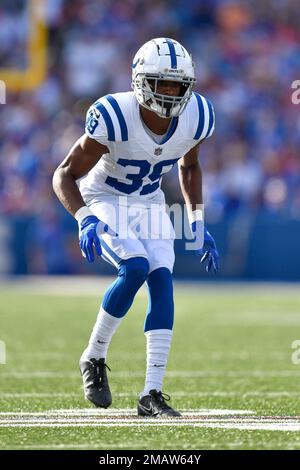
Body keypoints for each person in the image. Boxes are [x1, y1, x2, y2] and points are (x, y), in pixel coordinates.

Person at [52, 38, 219, 418]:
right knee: (136, 266)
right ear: (141, 82)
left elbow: (189, 166)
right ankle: (93, 356)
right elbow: (64, 174)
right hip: (106, 199)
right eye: (163, 84)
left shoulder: (198, 116)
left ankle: (152, 394)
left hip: (150, 202)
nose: (172, 93)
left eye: (178, 85)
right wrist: (84, 217)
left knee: (162, 278)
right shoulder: (114, 114)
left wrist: (196, 220)